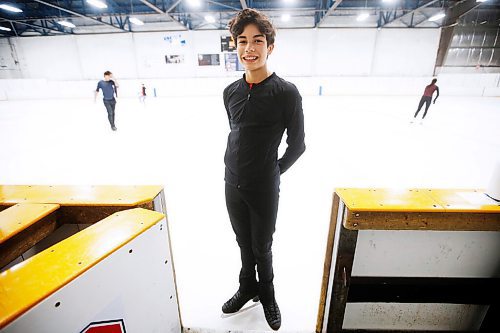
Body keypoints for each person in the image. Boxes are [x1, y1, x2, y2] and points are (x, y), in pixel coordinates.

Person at [222, 8, 306, 331]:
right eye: (242, 41)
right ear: (235, 45)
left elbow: (297, 145)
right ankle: (248, 287)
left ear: (270, 46)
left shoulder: (286, 93)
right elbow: (237, 132)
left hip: (264, 188)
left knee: (262, 246)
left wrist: (272, 172)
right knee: (244, 242)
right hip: (231, 183)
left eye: (257, 40)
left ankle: (267, 294)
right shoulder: (230, 92)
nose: (249, 48)